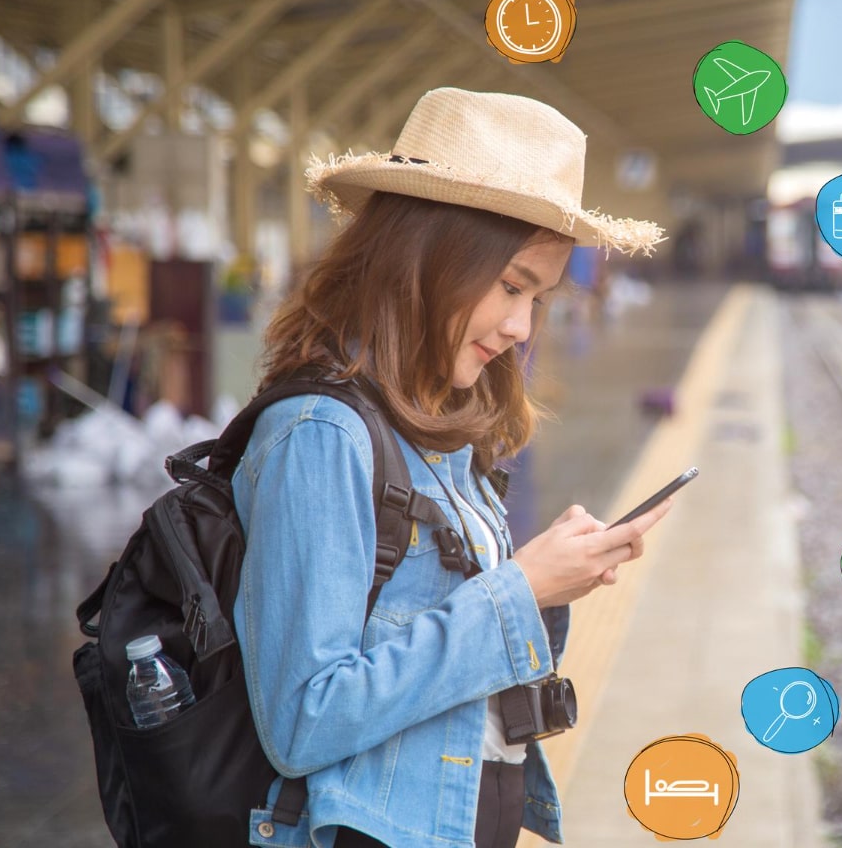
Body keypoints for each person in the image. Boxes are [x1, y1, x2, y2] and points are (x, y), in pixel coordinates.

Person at [230, 88, 668, 848]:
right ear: (429, 257)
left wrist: (549, 583)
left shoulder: (435, 426)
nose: (521, 327)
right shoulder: (322, 434)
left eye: (538, 297)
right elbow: (304, 718)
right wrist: (519, 589)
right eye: (510, 286)